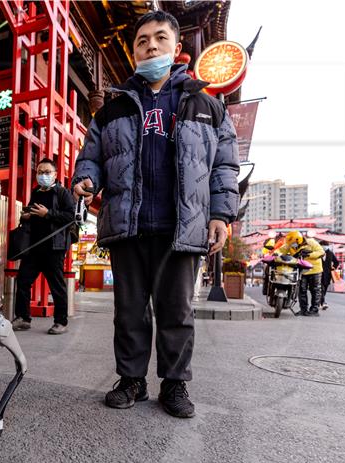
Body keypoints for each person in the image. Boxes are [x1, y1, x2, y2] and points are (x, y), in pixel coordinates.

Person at [72, 10, 240, 418]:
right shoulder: (111, 109)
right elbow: (90, 156)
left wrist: (220, 214)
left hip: (181, 225)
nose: (151, 46)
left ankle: (175, 383)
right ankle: (131, 380)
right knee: (128, 310)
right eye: (142, 41)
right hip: (128, 224)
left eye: (160, 38)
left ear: (176, 48)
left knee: (176, 310)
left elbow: (224, 165)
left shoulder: (206, 104)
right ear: (133, 53)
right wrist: (85, 178)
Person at [12, 158, 75, 335]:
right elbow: (32, 215)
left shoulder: (63, 193)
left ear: (55, 174)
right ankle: (23, 318)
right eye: (40, 172)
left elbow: (70, 217)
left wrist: (48, 213)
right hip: (33, 248)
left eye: (47, 172)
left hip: (54, 248)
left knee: (57, 286)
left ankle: (61, 322)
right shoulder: (36, 192)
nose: (43, 175)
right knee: (23, 281)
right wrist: (26, 216)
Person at [274, 231, 325, 316]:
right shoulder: (290, 244)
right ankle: (303, 309)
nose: (293, 246)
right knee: (301, 290)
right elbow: (281, 250)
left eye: (294, 243)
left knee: (315, 290)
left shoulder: (311, 242)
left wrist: (308, 255)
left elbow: (321, 252)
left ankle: (314, 310)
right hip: (301, 270)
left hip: (315, 269)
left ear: (298, 240)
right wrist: (277, 253)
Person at [320, 241, 340, 309]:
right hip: (319, 273)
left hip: (328, 274)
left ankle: (320, 301)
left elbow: (336, 262)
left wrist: (333, 268)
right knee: (321, 288)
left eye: (325, 245)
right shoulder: (318, 252)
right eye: (322, 245)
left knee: (324, 288)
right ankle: (323, 302)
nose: (324, 247)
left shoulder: (330, 253)